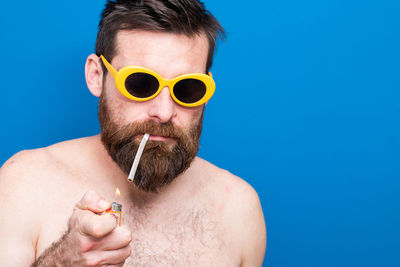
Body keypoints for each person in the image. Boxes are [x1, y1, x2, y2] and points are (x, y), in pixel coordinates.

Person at [0, 0, 266, 266]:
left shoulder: (237, 209)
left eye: (187, 88)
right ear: (96, 75)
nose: (163, 113)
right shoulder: (24, 185)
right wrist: (61, 261)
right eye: (140, 83)